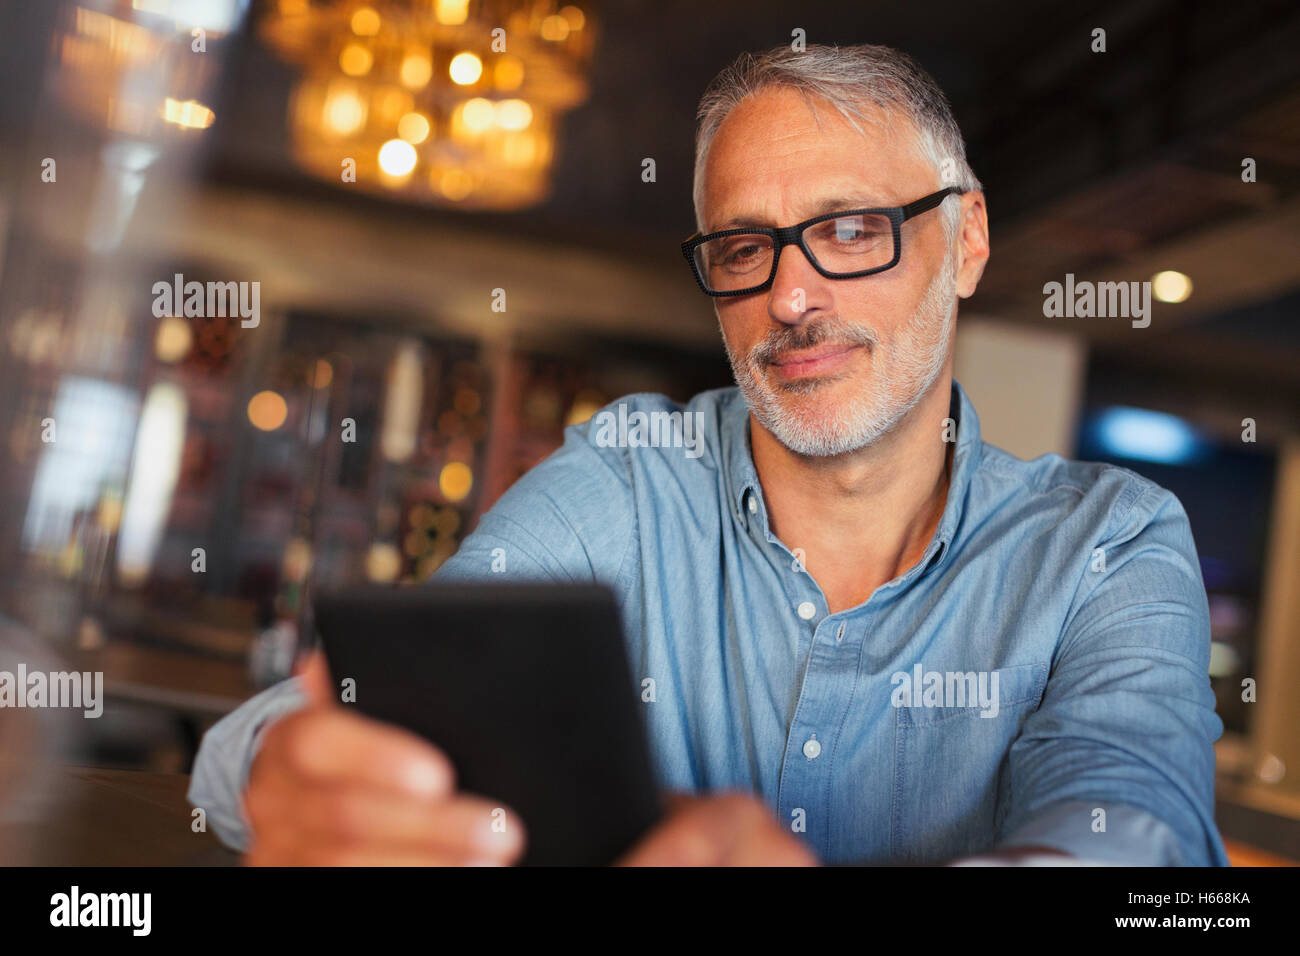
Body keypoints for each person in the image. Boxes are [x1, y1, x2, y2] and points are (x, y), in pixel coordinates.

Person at [189, 43, 1226, 866]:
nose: (790, 296)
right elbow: (342, 713)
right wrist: (298, 763)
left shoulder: (1110, 540)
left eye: (852, 230)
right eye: (743, 248)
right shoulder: (629, 476)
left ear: (967, 238)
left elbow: (1133, 829)